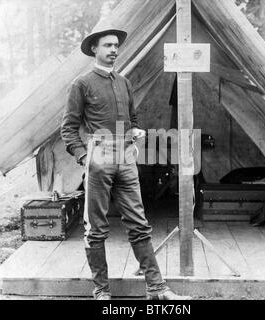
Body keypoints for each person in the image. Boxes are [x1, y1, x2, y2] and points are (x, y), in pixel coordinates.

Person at [61, 26, 191, 300]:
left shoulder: (124, 82)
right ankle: (101, 290)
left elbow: (132, 121)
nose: (114, 50)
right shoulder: (81, 84)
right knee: (96, 228)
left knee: (139, 223)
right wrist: (85, 156)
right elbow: (69, 129)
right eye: (108, 45)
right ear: (94, 49)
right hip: (99, 158)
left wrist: (136, 132)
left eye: (116, 46)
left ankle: (157, 288)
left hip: (126, 158)